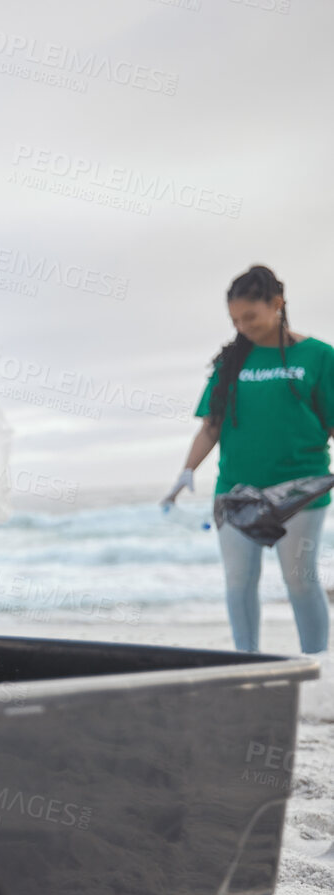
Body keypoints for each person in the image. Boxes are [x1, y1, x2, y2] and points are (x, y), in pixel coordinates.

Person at [166, 265, 334, 654]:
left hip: (301, 490)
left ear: (277, 305)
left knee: (300, 580)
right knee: (239, 580)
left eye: (250, 317)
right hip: (237, 490)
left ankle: (317, 665)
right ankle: (245, 663)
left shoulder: (319, 356)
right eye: (235, 320)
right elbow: (211, 426)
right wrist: (186, 471)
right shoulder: (232, 361)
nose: (242, 327)